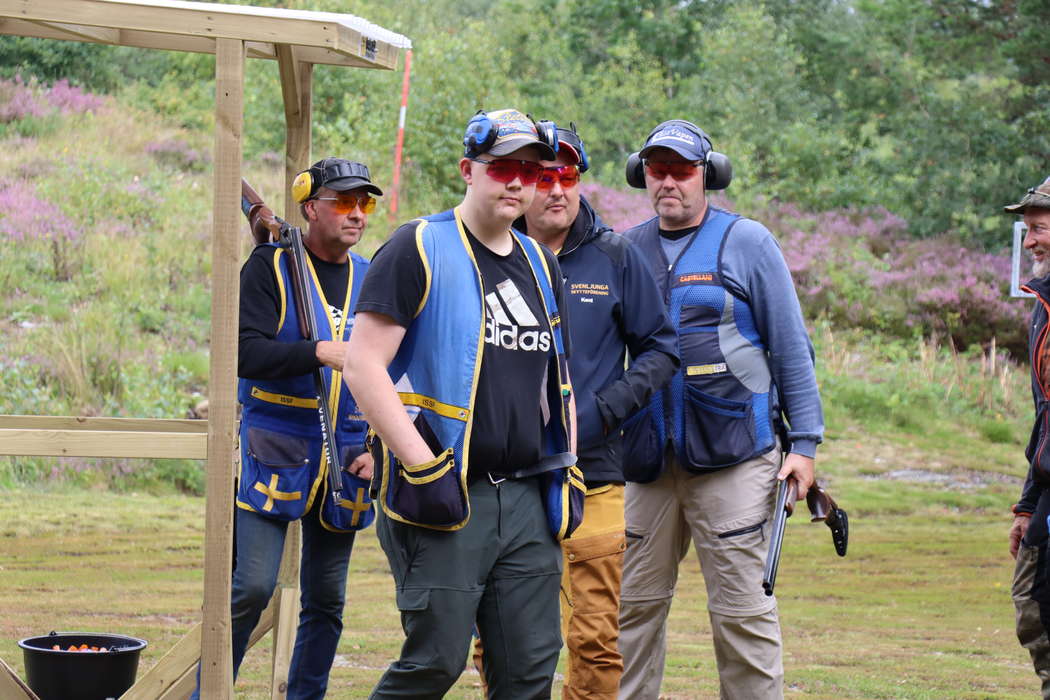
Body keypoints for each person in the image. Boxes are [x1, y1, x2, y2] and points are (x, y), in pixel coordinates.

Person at [343, 108, 584, 699]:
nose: (518, 182)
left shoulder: (541, 262)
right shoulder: (418, 247)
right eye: (502, 167)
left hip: (528, 495)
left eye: (531, 170)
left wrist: (571, 465)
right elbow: (362, 364)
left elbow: (560, 382)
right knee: (434, 663)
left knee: (530, 671)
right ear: (468, 170)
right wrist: (422, 463)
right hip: (448, 493)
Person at [616, 120, 824, 700]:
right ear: (643, 176)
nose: (669, 182)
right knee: (628, 617)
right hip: (646, 466)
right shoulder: (624, 249)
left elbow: (790, 346)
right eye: (657, 171)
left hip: (736, 461)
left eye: (682, 170)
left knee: (741, 618)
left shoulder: (748, 242)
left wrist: (804, 445)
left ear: (709, 174)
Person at [191, 157, 381, 700]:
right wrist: (317, 351)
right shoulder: (269, 268)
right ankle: (209, 693)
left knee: (327, 601)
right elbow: (244, 354)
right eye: (343, 202)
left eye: (363, 203)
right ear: (309, 208)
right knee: (249, 588)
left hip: (347, 457)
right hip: (273, 448)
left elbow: (394, 370)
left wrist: (378, 447)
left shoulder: (371, 278)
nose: (356, 213)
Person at [514, 122, 677, 699]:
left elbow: (662, 349)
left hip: (597, 473)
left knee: (596, 638)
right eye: (544, 177)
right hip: (506, 477)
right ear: (521, 180)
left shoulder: (616, 256)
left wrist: (604, 411)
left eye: (569, 177)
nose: (557, 190)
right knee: (505, 637)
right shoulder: (488, 253)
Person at [1005, 176, 1050, 698]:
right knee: (1035, 607)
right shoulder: (1045, 303)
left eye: (1038, 229)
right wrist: (1027, 504)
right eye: (1028, 229)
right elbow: (1047, 415)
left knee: (1039, 606)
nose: (1030, 241)